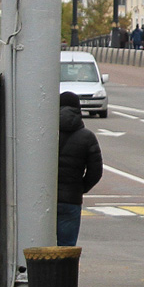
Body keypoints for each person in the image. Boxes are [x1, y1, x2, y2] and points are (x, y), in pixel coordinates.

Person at [58, 91, 103, 247]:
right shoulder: (87, 137)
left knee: (41, 248)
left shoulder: (45, 133)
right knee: (66, 248)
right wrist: (80, 188)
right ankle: (64, 272)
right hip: (71, 200)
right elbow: (96, 172)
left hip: (44, 199)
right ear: (78, 110)